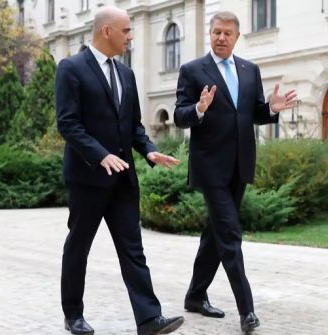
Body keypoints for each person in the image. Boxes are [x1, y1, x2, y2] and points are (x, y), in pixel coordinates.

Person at [55, 6, 184, 335]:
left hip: (124, 178)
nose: (131, 36)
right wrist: (100, 155)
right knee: (79, 246)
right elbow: (68, 124)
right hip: (88, 178)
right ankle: (74, 315)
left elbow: (134, 125)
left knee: (133, 248)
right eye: (126, 31)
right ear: (107, 31)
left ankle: (149, 318)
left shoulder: (126, 74)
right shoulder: (71, 68)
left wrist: (150, 150)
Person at [173, 10, 297, 333]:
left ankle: (195, 295)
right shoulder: (192, 70)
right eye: (216, 32)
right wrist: (198, 109)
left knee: (214, 233)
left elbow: (254, 112)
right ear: (209, 34)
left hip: (241, 164)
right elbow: (179, 115)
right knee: (230, 234)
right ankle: (247, 311)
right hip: (210, 167)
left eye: (227, 33)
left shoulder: (249, 70)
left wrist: (271, 108)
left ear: (237, 36)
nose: (221, 37)